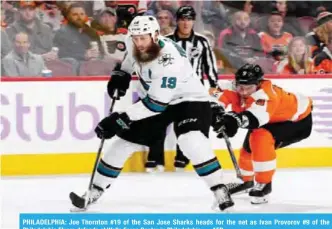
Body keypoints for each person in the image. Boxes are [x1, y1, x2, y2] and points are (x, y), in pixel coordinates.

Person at [71, 15, 234, 211]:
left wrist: (118, 120)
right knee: (123, 144)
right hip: (155, 98)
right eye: (135, 38)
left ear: (156, 35)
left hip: (189, 100)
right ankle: (94, 190)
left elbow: (156, 105)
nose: (139, 43)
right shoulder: (135, 42)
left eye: (143, 38)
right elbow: (130, 61)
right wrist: (121, 74)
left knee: (191, 141)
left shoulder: (168, 60)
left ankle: (219, 189)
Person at [209, 63, 313, 204]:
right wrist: (215, 111)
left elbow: (255, 118)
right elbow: (217, 95)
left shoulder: (267, 95)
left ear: (258, 84)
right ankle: (246, 182)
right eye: (240, 87)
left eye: (249, 88)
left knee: (260, 137)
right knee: (248, 151)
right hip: (270, 118)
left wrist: (233, 120)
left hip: (297, 121)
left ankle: (264, 184)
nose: (244, 92)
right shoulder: (235, 87)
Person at [146, 6, 219, 172]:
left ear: (193, 21)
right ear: (177, 21)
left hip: (192, 93)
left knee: (187, 126)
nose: (186, 23)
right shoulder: (166, 41)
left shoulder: (202, 41)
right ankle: (156, 159)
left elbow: (210, 66)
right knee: (158, 123)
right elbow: (156, 64)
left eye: (189, 19)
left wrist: (214, 85)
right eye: (183, 19)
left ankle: (182, 158)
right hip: (169, 90)